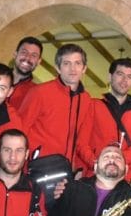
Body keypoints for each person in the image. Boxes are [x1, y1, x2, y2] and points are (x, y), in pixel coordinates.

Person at [20, 43, 94, 173]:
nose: (73, 68)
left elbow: (82, 141)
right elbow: (20, 130)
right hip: (37, 167)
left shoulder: (86, 99)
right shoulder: (39, 92)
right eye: (66, 63)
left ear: (84, 68)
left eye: (77, 63)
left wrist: (88, 165)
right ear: (58, 68)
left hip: (66, 170)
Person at [81, 57, 131, 169]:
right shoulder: (93, 105)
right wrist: (97, 164)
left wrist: (118, 162)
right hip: (96, 171)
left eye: (129, 77)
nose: (124, 80)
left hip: (127, 173)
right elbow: (82, 143)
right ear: (110, 77)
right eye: (120, 74)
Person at [9, 36, 43, 110]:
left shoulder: (37, 94)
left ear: (38, 61)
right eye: (24, 52)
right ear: (15, 54)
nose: (28, 58)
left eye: (34, 55)